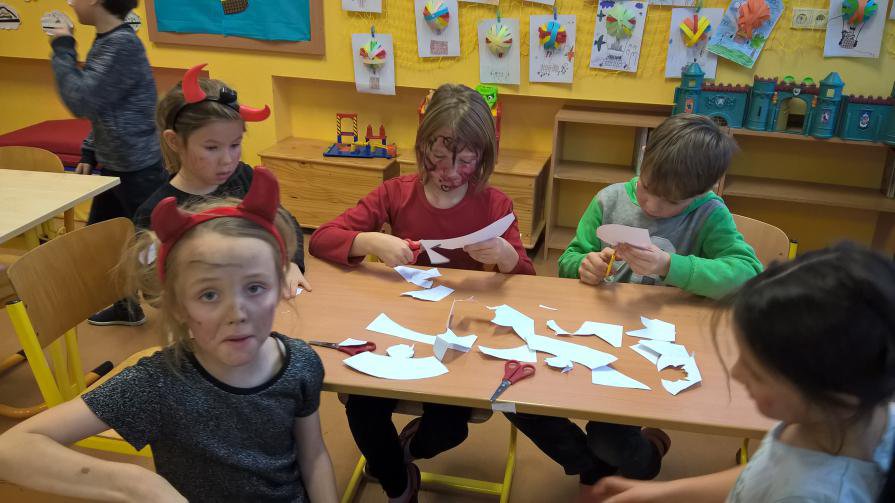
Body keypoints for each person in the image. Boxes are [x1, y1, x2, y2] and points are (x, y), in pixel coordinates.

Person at [0, 168, 338, 503]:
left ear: (280, 288)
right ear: (177, 307)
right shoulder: (159, 383)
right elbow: (11, 449)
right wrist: (136, 484)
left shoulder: (300, 364)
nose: (237, 314)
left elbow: (314, 458)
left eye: (255, 287)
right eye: (209, 295)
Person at [508, 114, 763, 492]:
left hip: (652, 351)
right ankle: (593, 466)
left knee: (609, 437)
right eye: (646, 188)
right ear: (644, 158)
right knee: (515, 399)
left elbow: (748, 274)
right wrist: (584, 266)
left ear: (703, 192)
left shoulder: (710, 214)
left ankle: (635, 460)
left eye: (670, 201)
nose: (653, 205)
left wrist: (670, 266)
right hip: (591, 334)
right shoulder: (609, 199)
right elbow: (569, 260)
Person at [310, 83, 535, 502]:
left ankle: (400, 455)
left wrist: (505, 255)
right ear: (422, 146)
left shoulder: (495, 205)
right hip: (395, 329)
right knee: (361, 406)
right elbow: (322, 238)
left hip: (459, 341)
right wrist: (370, 241)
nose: (450, 172)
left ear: (483, 158)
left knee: (450, 427)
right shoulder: (396, 193)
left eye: (465, 161)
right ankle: (398, 487)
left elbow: (527, 279)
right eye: (438, 158)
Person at [586, 243, 895, 502]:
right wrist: (662, 493)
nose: (736, 373)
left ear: (833, 391)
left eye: (757, 373)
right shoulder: (836, 421)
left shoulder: (811, 494)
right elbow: (767, 472)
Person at [91, 63, 309, 326]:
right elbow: (153, 291)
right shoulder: (157, 211)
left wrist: (291, 263)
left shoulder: (243, 176)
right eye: (212, 148)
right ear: (174, 141)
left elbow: (285, 221)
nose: (227, 159)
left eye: (235, 144)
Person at [48, 0, 166, 224]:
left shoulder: (122, 44)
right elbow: (107, 106)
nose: (70, 2)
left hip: (137, 171)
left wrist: (63, 48)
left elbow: (81, 101)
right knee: (99, 239)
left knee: (153, 239)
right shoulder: (109, 41)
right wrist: (90, 151)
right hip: (117, 166)